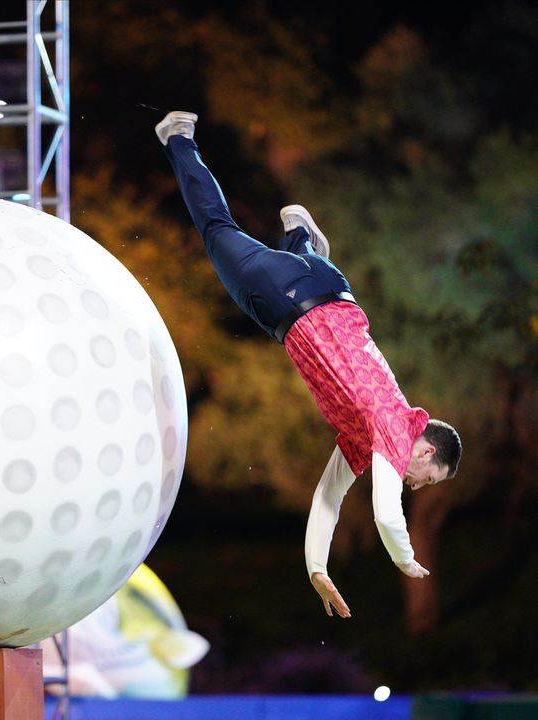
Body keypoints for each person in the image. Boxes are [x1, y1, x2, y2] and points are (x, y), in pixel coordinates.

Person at [155, 111, 462, 618]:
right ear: (426, 449)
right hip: (285, 300)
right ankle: (178, 139)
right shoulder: (396, 429)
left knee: (287, 259)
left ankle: (300, 237)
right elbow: (387, 517)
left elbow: (327, 498)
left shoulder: (368, 434)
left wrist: (317, 569)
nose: (417, 487)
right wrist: (406, 562)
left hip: (331, 287)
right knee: (215, 228)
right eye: (427, 478)